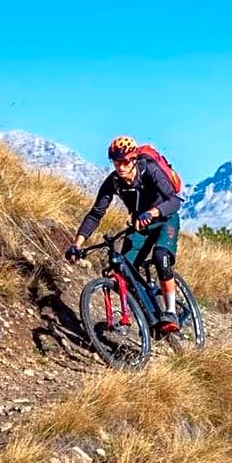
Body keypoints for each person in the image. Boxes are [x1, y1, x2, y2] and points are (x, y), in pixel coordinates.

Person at [65, 135, 184, 333]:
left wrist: (153, 212)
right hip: (140, 226)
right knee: (124, 271)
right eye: (116, 162)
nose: (120, 167)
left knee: (160, 257)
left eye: (125, 161)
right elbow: (95, 214)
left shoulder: (150, 171)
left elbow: (174, 201)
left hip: (165, 219)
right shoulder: (113, 182)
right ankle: (137, 317)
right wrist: (77, 244)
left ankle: (171, 311)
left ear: (134, 159)